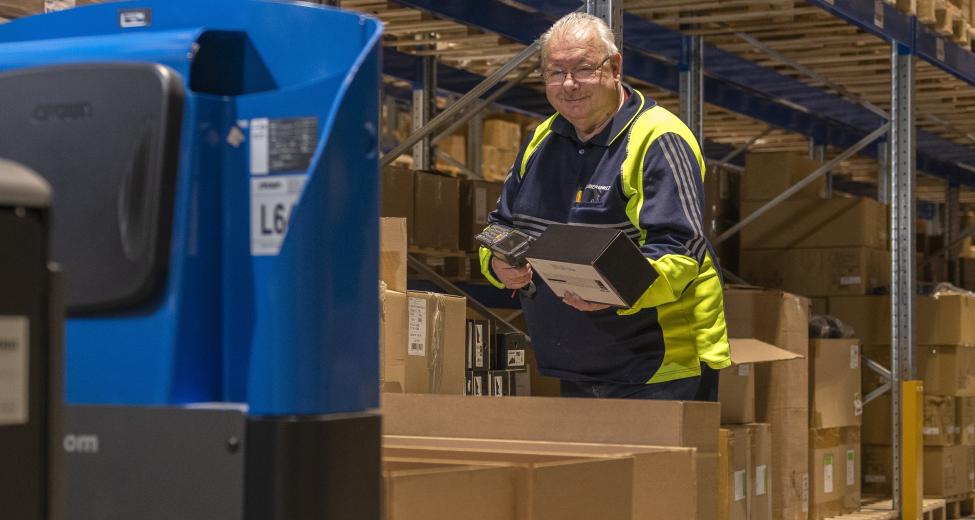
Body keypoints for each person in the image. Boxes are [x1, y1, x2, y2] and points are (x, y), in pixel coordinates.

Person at [478, 12, 730, 401]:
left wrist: (618, 289)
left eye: (583, 69)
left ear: (614, 67)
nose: (569, 84)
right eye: (555, 72)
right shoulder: (540, 141)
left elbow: (682, 251)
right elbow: (501, 226)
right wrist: (497, 266)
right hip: (574, 363)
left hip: (659, 368)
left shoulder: (659, 137)